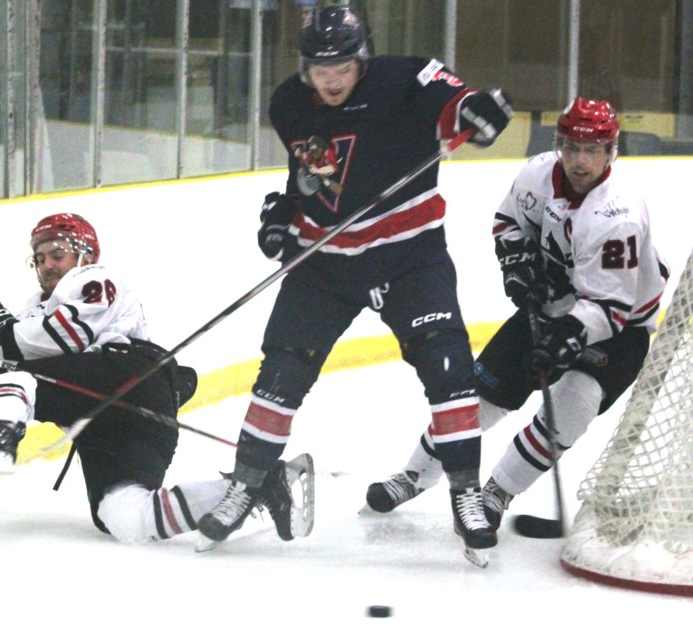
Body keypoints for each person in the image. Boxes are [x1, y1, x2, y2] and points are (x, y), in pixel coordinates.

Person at [197, 4, 514, 561]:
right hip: (327, 263)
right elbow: (316, 174)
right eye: (321, 69)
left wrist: (476, 110)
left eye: (342, 66)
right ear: (305, 68)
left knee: (448, 366)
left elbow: (455, 102)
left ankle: (465, 493)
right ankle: (245, 486)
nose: (332, 78)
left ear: (361, 57)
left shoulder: (405, 78)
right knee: (282, 371)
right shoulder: (289, 104)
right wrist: (283, 214)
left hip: (409, 255)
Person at [364, 98, 669, 532]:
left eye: (594, 150)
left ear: (610, 152)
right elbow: (508, 222)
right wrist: (517, 263)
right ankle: (414, 475)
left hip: (617, 329)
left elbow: (609, 307)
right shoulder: (537, 173)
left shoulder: (617, 215)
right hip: (550, 308)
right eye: (573, 148)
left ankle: (498, 492)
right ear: (559, 144)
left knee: (572, 407)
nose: (581, 161)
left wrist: (567, 338)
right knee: (477, 398)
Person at [0, 212, 313, 545]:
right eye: (39, 259)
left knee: (23, 380)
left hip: (128, 377)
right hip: (104, 422)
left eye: (57, 253)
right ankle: (259, 487)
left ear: (85, 254)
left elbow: (68, 336)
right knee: (125, 517)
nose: (47, 265)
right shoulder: (31, 313)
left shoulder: (94, 278)